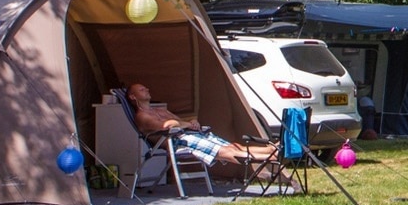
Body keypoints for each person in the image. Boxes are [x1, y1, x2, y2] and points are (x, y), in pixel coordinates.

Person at [126, 82, 294, 187]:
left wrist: (191, 122)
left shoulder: (160, 109)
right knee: (228, 153)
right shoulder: (143, 117)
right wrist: (186, 124)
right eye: (142, 89)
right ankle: (271, 157)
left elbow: (178, 121)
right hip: (177, 141)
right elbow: (167, 126)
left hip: (189, 134)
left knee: (233, 146)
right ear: (133, 97)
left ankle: (275, 150)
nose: (147, 89)